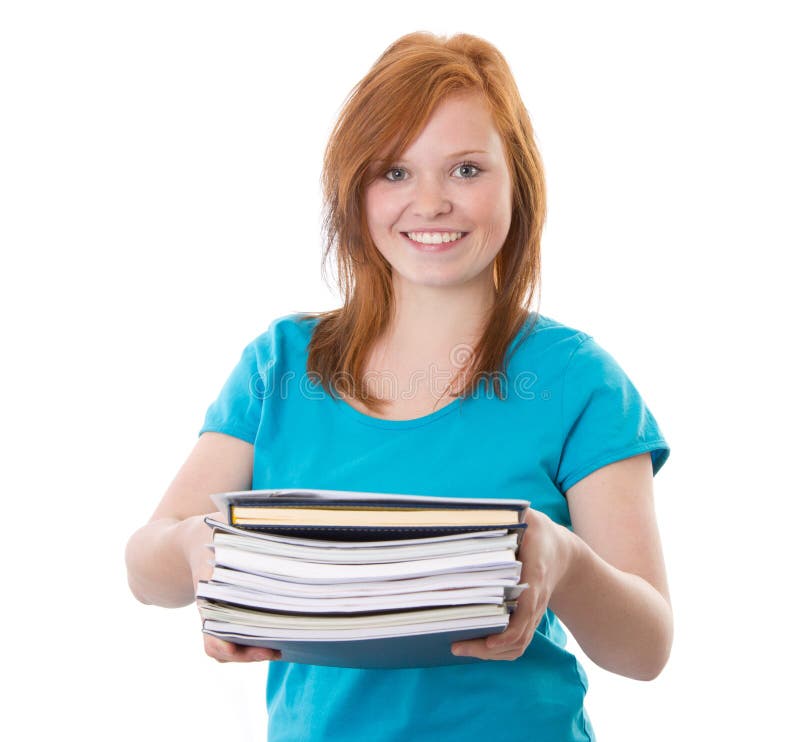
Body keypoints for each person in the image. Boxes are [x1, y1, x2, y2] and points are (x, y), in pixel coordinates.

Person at [125, 31, 672, 742]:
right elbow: (147, 566)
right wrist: (202, 550)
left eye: (467, 169)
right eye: (394, 172)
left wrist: (563, 560)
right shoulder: (282, 366)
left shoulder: (578, 380)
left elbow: (647, 648)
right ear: (355, 191)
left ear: (519, 183)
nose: (432, 202)